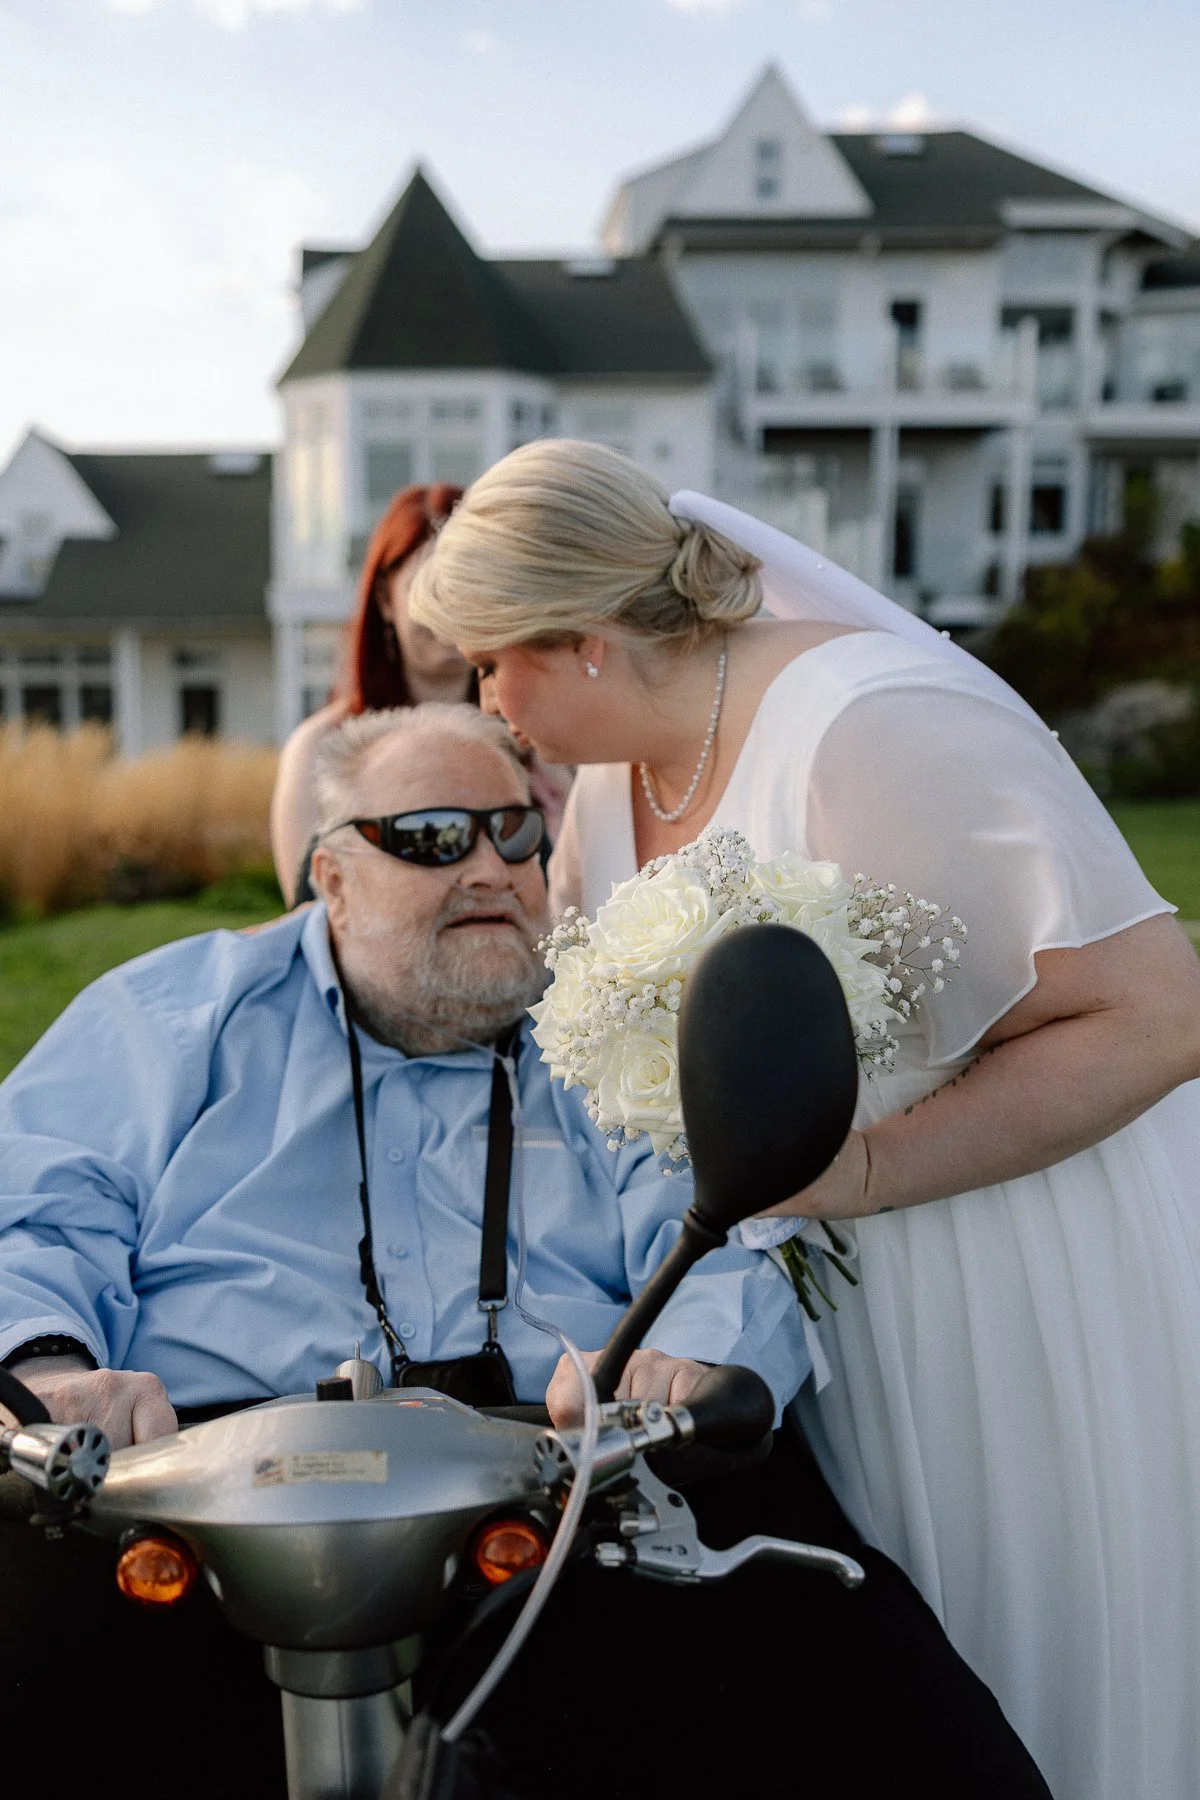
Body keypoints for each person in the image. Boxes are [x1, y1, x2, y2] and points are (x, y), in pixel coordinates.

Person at [0, 704, 1051, 1800]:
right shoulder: (170, 1011)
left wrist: (681, 1364)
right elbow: (35, 1198)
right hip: (197, 1478)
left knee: (871, 1705)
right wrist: (49, 1368)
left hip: (578, 1472)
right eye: (434, 838)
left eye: (514, 834)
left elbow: (729, 1230)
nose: (491, 870)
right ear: (332, 876)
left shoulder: (614, 1029)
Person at [409, 437, 1200, 1800]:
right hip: (808, 1302)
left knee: (1027, 1637)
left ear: (591, 639)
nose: (488, 702)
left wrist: (866, 1165)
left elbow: (1160, 1013)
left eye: (494, 663)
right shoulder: (613, 783)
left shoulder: (871, 729)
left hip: (1003, 1258)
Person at [270, 483, 568, 906]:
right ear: (384, 599)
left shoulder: (540, 742)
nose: (445, 608)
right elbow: (309, 916)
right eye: (424, 585)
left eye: (465, 586)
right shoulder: (320, 748)